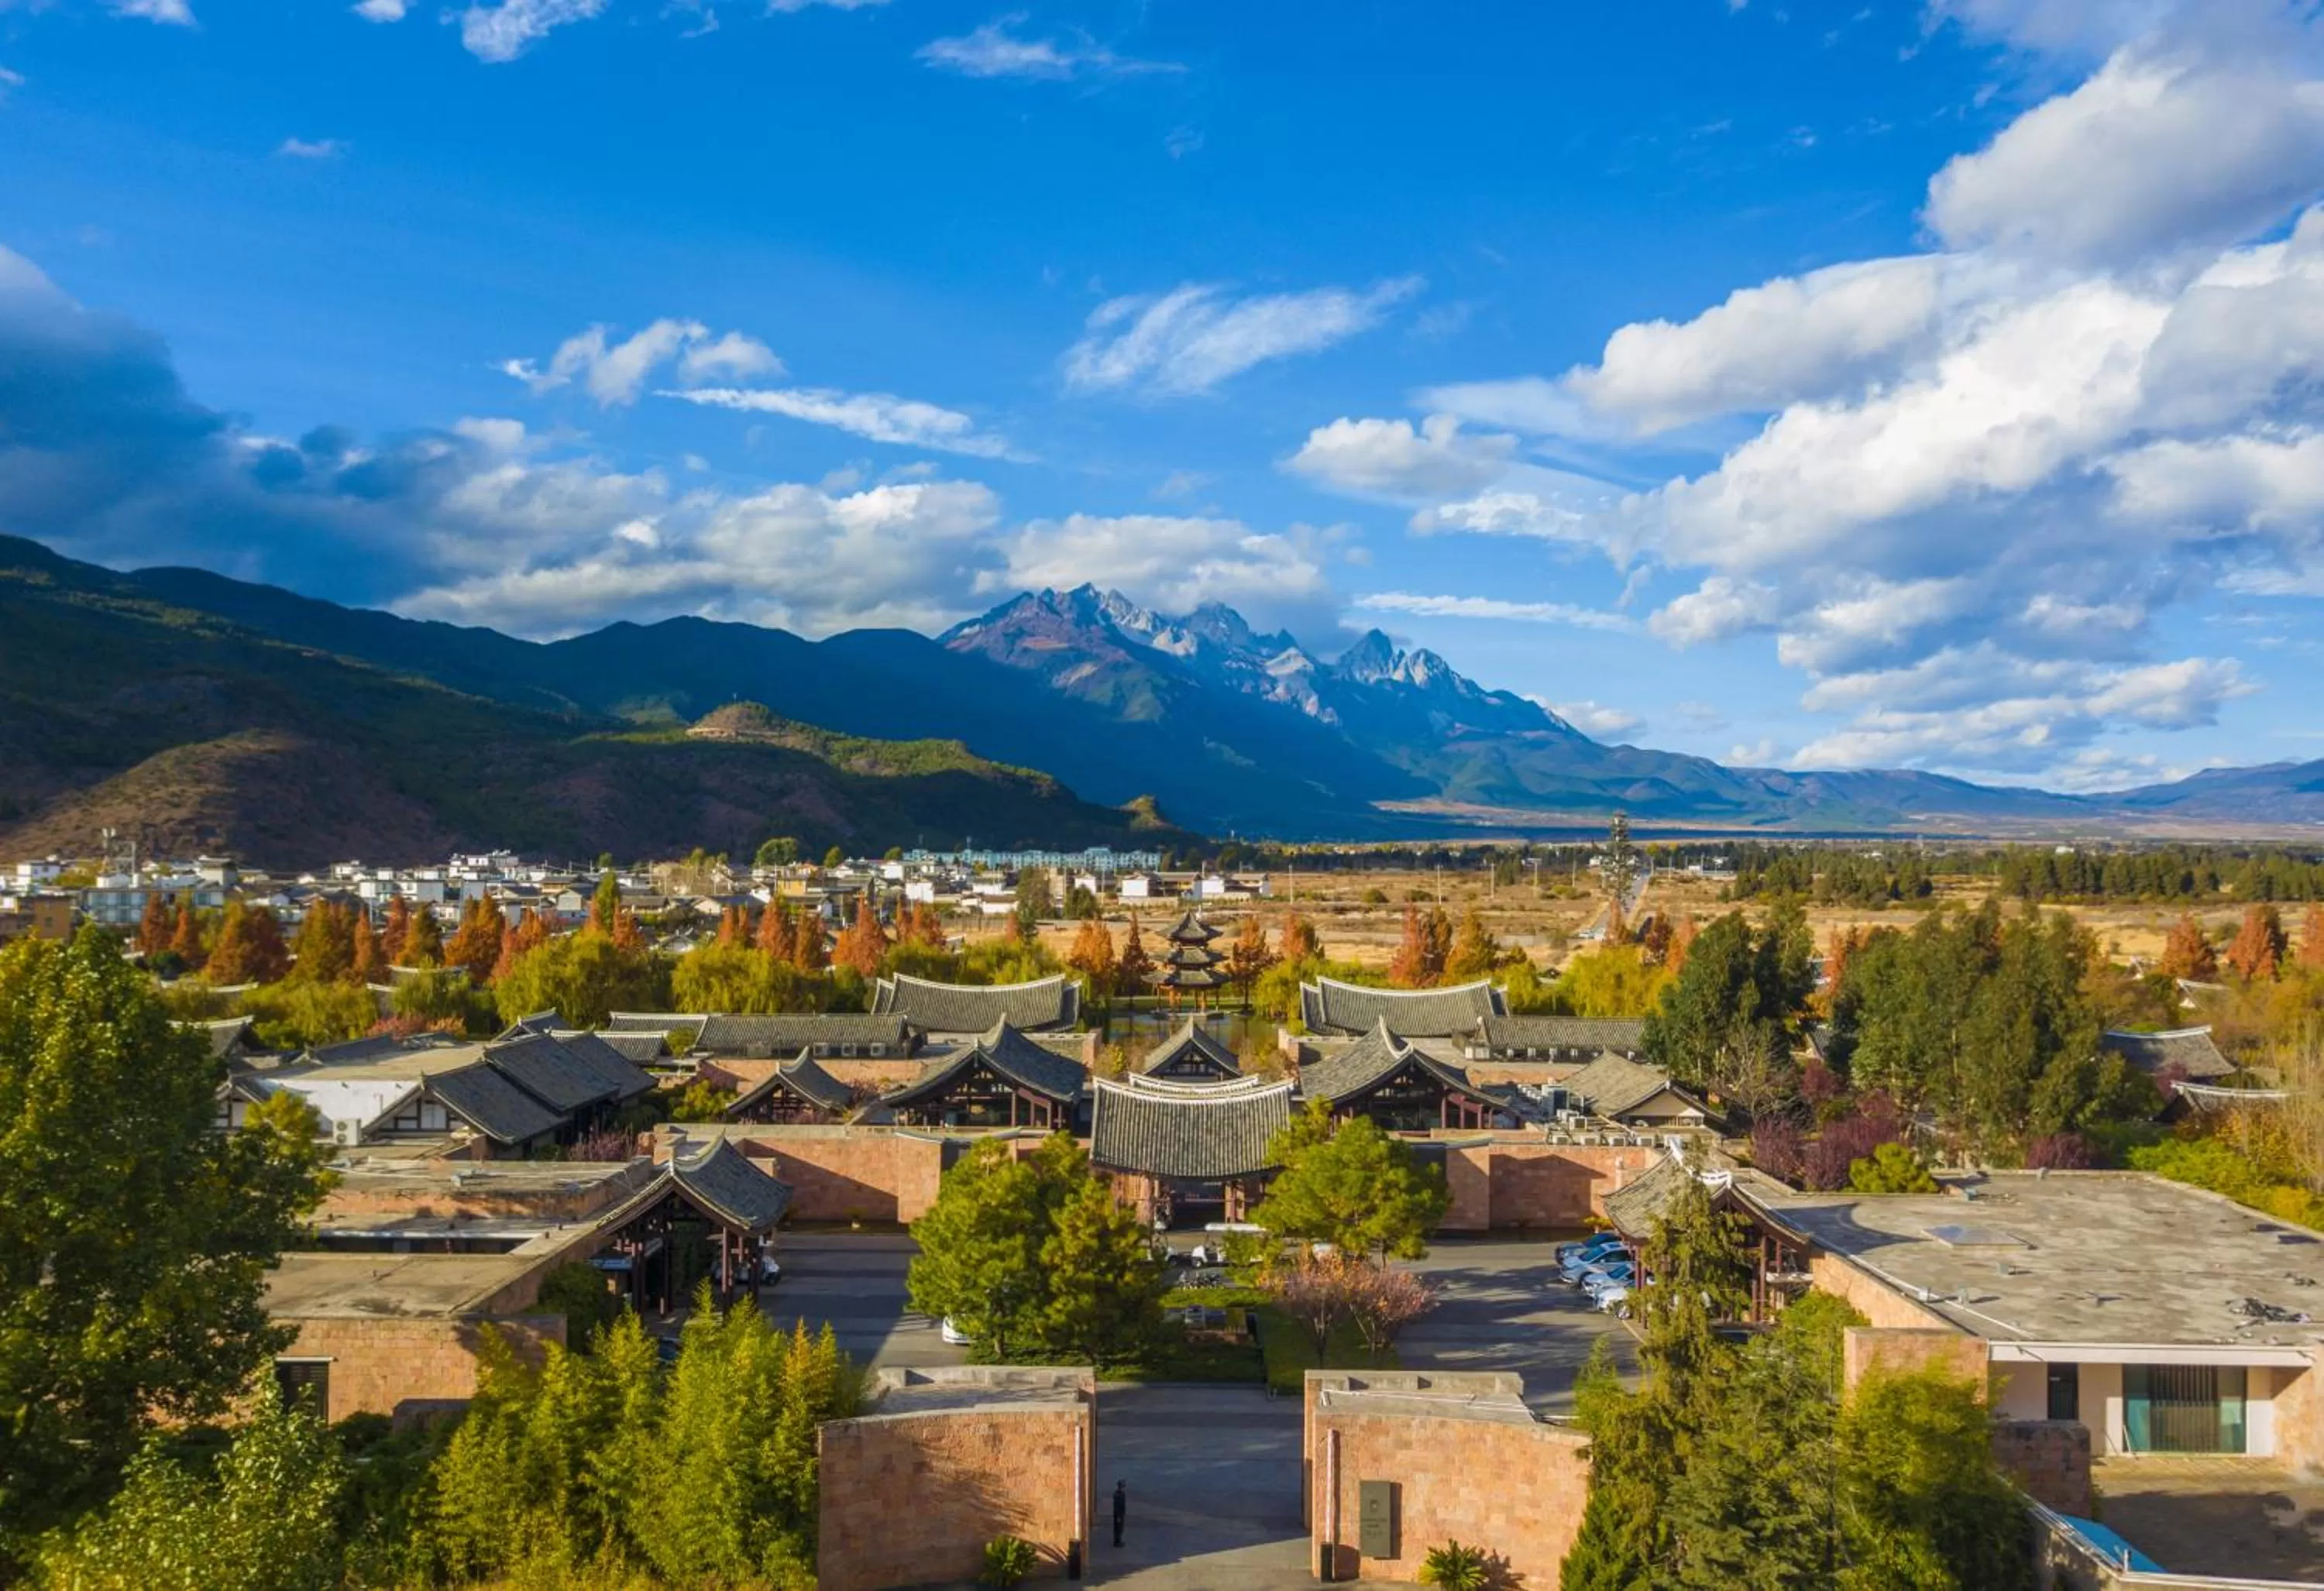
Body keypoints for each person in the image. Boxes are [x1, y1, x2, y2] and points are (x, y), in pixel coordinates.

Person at [1112, 1479, 1127, 1548]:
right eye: (1123, 1487)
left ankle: (1118, 1540)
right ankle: (1117, 1541)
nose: (1124, 1488)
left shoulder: (1120, 1494)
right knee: (1118, 1528)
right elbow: (1117, 1506)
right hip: (1119, 1514)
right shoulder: (1118, 1495)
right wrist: (1118, 1516)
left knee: (1120, 1528)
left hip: (1120, 1513)